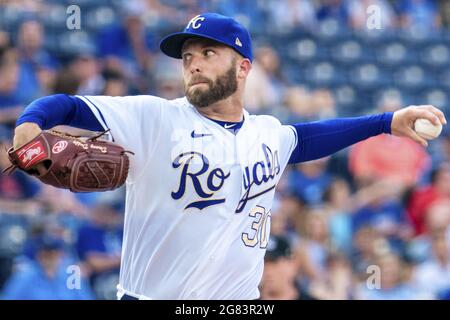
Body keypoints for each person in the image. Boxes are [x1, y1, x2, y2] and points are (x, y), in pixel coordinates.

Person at [11, 13, 447, 300]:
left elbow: (310, 137)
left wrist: (386, 122)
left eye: (208, 53)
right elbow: (64, 106)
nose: (193, 64)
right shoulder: (154, 117)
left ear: (243, 66)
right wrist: (29, 128)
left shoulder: (266, 134)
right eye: (187, 57)